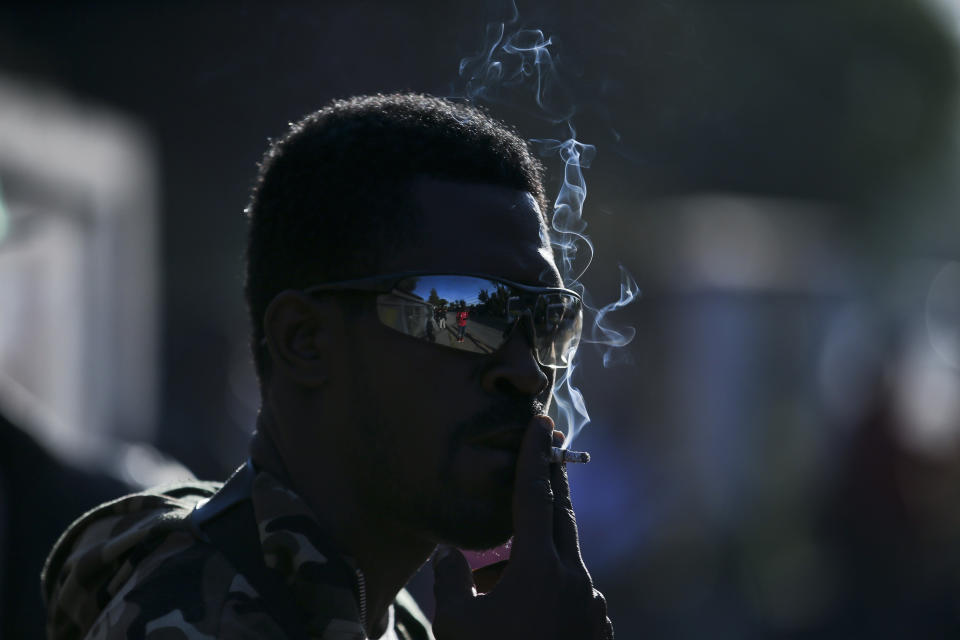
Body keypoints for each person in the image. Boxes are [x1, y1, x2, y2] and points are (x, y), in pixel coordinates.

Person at [42, 94, 613, 640]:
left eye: (546, 319)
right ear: (305, 341)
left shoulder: (380, 615)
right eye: (460, 312)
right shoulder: (200, 619)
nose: (529, 374)